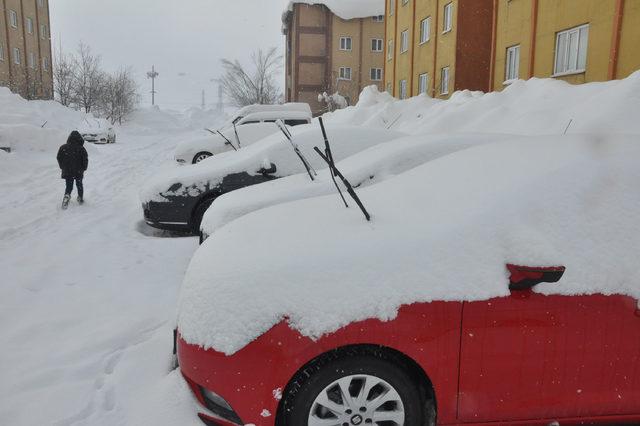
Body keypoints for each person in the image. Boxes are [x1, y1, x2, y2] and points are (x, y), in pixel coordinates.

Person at [56, 130, 88, 209]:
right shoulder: (81, 149)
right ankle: (80, 198)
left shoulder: (63, 147)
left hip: (68, 171)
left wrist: (62, 166)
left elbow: (59, 157)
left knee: (69, 185)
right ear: (79, 139)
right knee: (79, 184)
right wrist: (84, 168)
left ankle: (67, 196)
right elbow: (85, 159)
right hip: (78, 171)